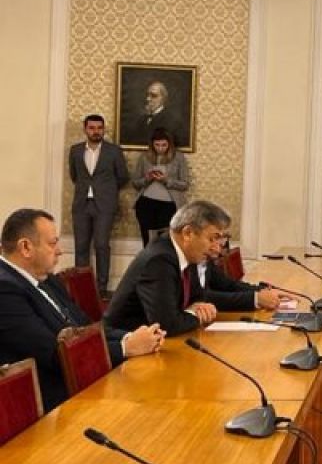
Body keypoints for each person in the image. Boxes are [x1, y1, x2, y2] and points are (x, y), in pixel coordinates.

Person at [0, 209, 163, 411]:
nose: (59, 251)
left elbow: (86, 328)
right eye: (52, 243)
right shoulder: (5, 290)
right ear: (26, 247)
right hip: (49, 402)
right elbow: (56, 356)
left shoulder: (44, 277)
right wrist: (125, 347)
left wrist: (132, 336)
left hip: (80, 383)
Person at [104, 200, 228, 336]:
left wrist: (200, 308)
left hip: (160, 340)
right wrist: (197, 315)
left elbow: (197, 299)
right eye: (212, 239)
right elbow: (167, 325)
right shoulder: (159, 260)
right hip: (125, 341)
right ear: (188, 233)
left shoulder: (187, 254)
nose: (216, 249)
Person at [67, 114, 130, 295]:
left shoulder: (114, 151)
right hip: (81, 204)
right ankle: (83, 289)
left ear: (103, 129)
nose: (96, 131)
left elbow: (123, 177)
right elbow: (74, 175)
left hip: (104, 205)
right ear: (85, 129)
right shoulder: (75, 150)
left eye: (99, 128)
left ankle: (102, 288)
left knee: (102, 245)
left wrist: (107, 191)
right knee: (81, 246)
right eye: (92, 128)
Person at [131, 128, 190, 247]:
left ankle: (162, 259)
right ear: (152, 144)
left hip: (168, 205)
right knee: (147, 240)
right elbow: (135, 183)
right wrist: (147, 178)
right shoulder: (144, 157)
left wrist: (166, 180)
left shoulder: (178, 157)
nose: (160, 148)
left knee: (164, 241)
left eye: (164, 145)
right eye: (157, 145)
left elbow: (185, 184)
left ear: (169, 144)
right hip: (146, 203)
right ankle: (148, 258)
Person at [194, 240, 283, 312]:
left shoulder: (205, 260)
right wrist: (255, 298)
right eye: (212, 238)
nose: (218, 249)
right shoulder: (194, 260)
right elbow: (204, 297)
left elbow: (228, 284)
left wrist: (263, 290)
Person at [129, 80, 185, 147]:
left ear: (163, 99)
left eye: (153, 96)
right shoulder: (141, 120)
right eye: (147, 95)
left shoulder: (171, 121)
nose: (148, 99)